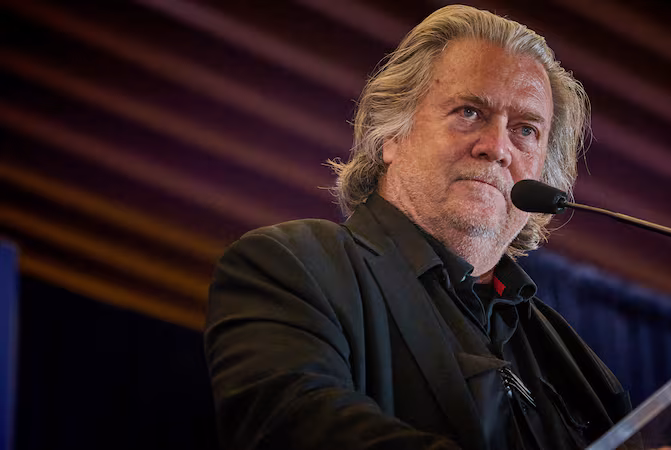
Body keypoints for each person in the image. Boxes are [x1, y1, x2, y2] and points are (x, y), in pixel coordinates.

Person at [205, 5, 631, 450]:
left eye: (526, 130)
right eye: (470, 112)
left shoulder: (578, 364)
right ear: (392, 134)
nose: (498, 148)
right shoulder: (289, 266)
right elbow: (296, 428)